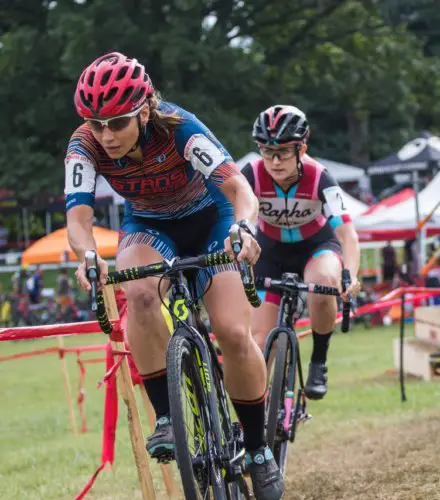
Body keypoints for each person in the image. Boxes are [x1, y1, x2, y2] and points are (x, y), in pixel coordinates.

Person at [64, 52, 282, 499]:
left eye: (118, 122)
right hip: (149, 225)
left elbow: (239, 188)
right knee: (138, 292)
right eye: (96, 123)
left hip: (211, 219)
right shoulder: (83, 144)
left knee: (233, 332)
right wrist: (88, 255)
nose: (106, 135)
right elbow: (79, 218)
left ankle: (258, 450)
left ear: (145, 110)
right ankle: (167, 418)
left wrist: (242, 227)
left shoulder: (181, 129)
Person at [241, 105, 361, 401]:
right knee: (258, 342)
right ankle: (256, 415)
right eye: (267, 151)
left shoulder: (320, 177)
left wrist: (352, 274)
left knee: (323, 284)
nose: (275, 160)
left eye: (283, 151)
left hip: (315, 247)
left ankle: (319, 359)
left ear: (302, 148)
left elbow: (347, 233)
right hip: (270, 252)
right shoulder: (251, 174)